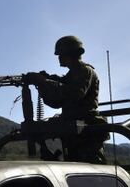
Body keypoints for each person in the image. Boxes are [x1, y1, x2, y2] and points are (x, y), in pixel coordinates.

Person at [25, 35, 108, 164]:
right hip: (71, 129)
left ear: (71, 54)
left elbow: (75, 94)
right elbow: (56, 102)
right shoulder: (71, 75)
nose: (59, 58)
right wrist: (42, 85)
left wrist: (45, 82)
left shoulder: (85, 71)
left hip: (86, 129)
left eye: (61, 54)